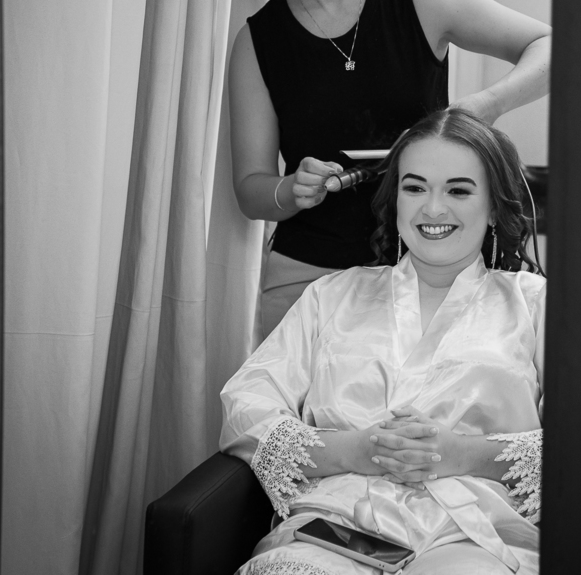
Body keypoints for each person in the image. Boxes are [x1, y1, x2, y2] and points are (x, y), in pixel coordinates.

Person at [229, 0, 551, 340]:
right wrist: (290, 190)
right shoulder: (257, 42)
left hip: (434, 267)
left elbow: (552, 48)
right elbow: (251, 192)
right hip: (310, 278)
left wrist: (485, 106)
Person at [220, 108, 545, 574]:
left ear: (494, 206)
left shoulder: (534, 304)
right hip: (335, 526)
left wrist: (460, 453)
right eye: (415, 188)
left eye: (458, 190)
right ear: (396, 200)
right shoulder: (332, 295)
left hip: (472, 533)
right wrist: (357, 450)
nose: (433, 209)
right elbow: (247, 405)